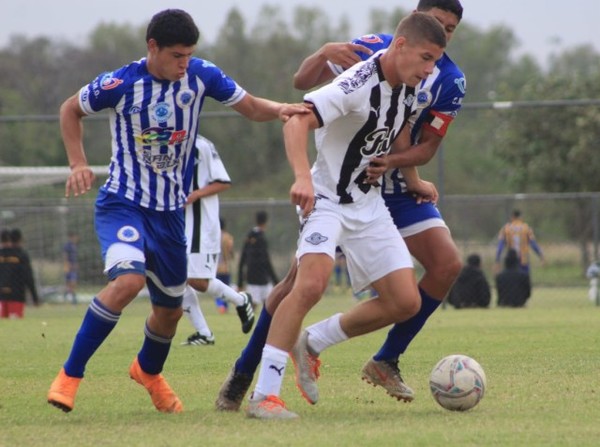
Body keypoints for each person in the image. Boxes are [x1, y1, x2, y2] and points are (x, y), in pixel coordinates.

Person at [46, 8, 310, 414]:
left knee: (169, 312)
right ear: (153, 48)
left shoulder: (201, 75)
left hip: (170, 215)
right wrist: (78, 163)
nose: (184, 63)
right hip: (124, 203)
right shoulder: (120, 83)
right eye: (177, 56)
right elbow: (70, 109)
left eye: (189, 55)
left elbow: (251, 105)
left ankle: (148, 372)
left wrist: (281, 110)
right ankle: (70, 375)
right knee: (128, 282)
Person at [216, 0, 465, 412]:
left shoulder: (411, 84)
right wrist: (301, 178)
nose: (429, 70)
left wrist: (414, 179)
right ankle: (264, 394)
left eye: (435, 60)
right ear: (400, 44)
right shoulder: (356, 82)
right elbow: (297, 119)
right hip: (328, 199)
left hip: (369, 206)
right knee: (309, 284)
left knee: (406, 301)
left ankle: (311, 340)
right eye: (425, 59)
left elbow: (399, 134)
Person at [181, 135, 254, 347]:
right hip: (175, 223)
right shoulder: (162, 140)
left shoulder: (200, 144)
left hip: (199, 224)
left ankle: (240, 300)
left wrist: (194, 195)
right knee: (174, 280)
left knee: (197, 281)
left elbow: (223, 181)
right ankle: (204, 333)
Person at [237, 210, 279, 309]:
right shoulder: (261, 238)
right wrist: (275, 280)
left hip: (251, 276)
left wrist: (240, 280)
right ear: (266, 222)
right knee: (269, 305)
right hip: (262, 276)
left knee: (254, 305)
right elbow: (266, 260)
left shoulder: (249, 236)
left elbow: (242, 259)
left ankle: (249, 321)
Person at [215, 218, 235, 314]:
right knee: (226, 287)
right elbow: (231, 251)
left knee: (216, 289)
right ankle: (225, 306)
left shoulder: (213, 236)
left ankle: (220, 305)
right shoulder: (228, 237)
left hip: (215, 268)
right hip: (225, 267)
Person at [63, 231, 80, 304]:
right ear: (71, 237)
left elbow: (74, 257)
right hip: (69, 267)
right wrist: (66, 264)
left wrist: (76, 264)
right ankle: (73, 299)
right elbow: (65, 255)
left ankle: (66, 295)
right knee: (71, 283)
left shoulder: (74, 246)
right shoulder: (67, 245)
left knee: (72, 284)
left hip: (73, 267)